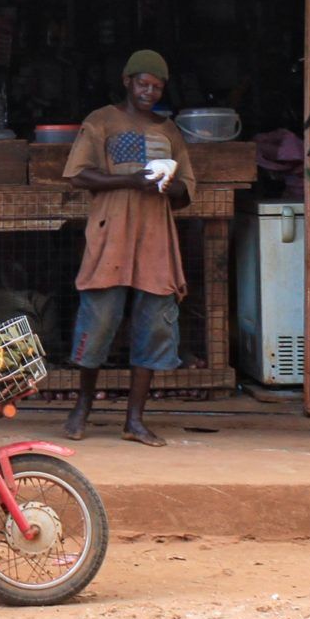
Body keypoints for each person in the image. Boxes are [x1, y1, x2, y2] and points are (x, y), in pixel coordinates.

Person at [61, 49, 195, 445]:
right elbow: (78, 175)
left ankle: (134, 419)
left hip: (156, 235)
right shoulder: (101, 121)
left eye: (156, 87)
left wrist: (172, 186)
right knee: (99, 318)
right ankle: (82, 406)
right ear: (127, 81)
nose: (149, 92)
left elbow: (188, 187)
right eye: (143, 84)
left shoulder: (169, 130)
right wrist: (129, 181)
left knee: (154, 323)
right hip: (111, 232)